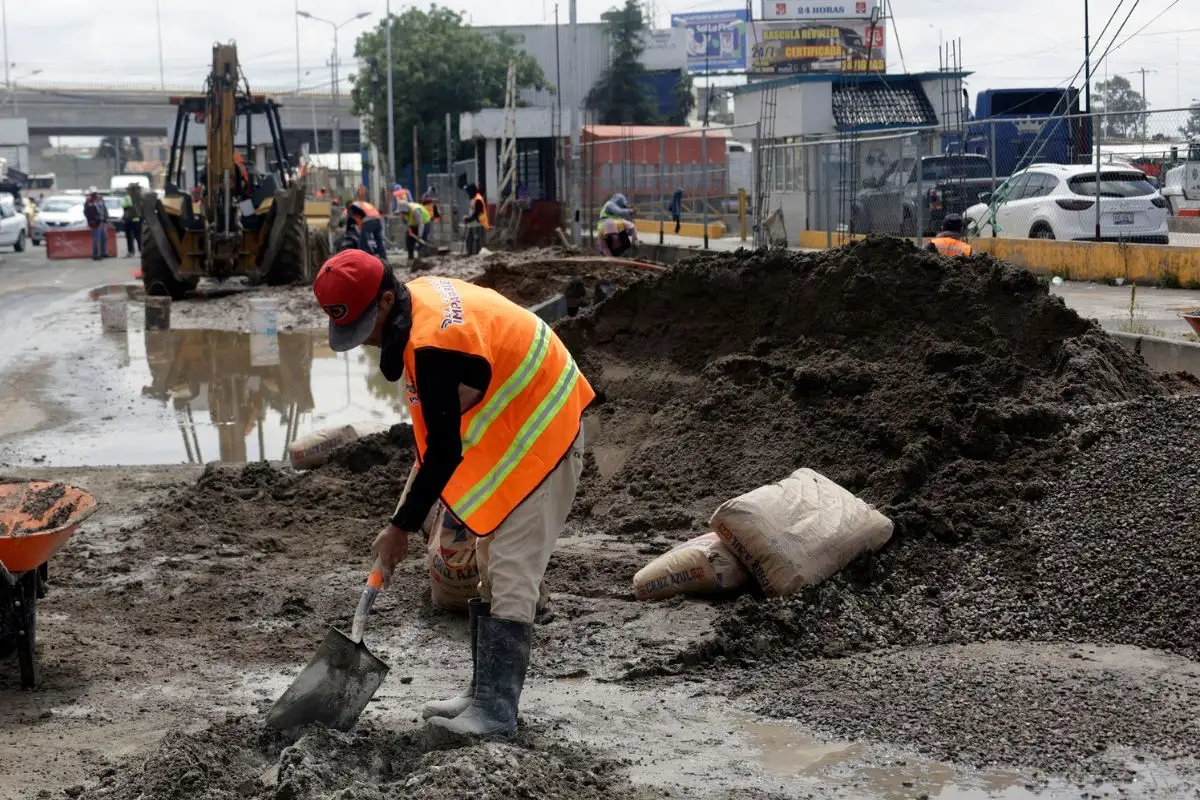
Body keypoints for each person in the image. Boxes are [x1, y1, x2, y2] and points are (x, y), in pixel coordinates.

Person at [312, 250, 593, 742]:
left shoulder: (433, 345)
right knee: (487, 557)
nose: (365, 342)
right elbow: (438, 436)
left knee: (511, 567)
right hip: (518, 425)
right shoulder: (417, 305)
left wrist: (400, 528)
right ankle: (482, 691)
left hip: (548, 428)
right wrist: (405, 515)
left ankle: (496, 713)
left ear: (384, 300)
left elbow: (443, 452)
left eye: (364, 327)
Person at [462, 184, 489, 256]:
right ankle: (470, 253)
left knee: (476, 239)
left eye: (468, 192)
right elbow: (473, 211)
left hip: (479, 223)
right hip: (474, 223)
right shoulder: (474, 198)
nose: (467, 193)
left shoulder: (478, 199)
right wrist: (468, 217)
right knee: (470, 239)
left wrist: (470, 219)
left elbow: (477, 212)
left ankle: (476, 254)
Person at [84, 189, 109, 261]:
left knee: (104, 237)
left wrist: (106, 216)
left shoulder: (100, 199)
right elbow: (87, 212)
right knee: (96, 239)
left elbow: (104, 208)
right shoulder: (89, 201)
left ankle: (103, 252)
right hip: (95, 222)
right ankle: (95, 254)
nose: (95, 195)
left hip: (102, 221)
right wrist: (92, 219)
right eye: (93, 194)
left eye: (96, 193)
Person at [120, 187, 142, 257]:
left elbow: (124, 205)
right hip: (132, 220)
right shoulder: (138, 198)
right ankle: (136, 251)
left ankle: (133, 252)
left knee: (135, 237)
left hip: (132, 220)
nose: (127, 191)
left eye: (128, 190)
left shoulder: (131, 198)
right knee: (135, 237)